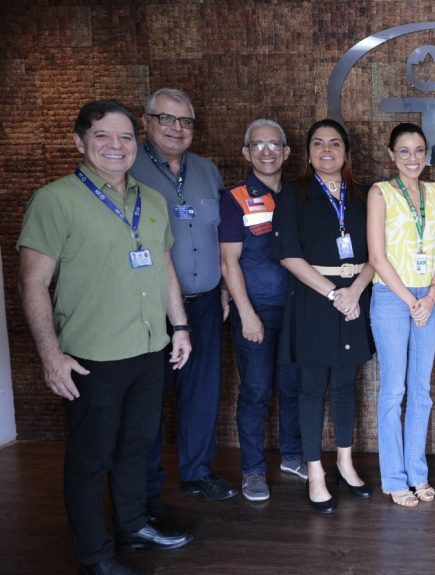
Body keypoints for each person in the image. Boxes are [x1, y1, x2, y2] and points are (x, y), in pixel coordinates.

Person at [18, 100, 193, 575]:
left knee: (136, 446)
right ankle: (95, 554)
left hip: (150, 348)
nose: (116, 146)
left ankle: (133, 526)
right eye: (102, 136)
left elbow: (164, 266)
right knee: (90, 458)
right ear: (79, 142)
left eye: (125, 137)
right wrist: (50, 355)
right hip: (92, 357)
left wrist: (179, 326)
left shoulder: (151, 200)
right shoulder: (55, 200)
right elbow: (32, 283)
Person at [130, 88, 236, 511]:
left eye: (185, 121)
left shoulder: (207, 171)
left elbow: (222, 237)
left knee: (202, 392)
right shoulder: (127, 167)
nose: (177, 128)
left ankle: (197, 472)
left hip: (206, 302)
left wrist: (225, 289)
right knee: (149, 397)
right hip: (149, 307)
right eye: (167, 119)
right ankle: (146, 488)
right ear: (146, 122)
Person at [274, 119, 375, 513]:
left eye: (335, 143)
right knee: (313, 388)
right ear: (308, 151)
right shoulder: (292, 194)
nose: (327, 150)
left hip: (355, 298)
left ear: (346, 151)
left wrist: (355, 291)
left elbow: (377, 252)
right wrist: (334, 293)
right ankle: (315, 472)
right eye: (318, 143)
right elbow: (288, 255)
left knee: (346, 385)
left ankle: (345, 464)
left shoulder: (362, 195)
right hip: (315, 299)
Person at [219, 119, 305, 502]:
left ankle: (292, 456)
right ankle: (253, 470)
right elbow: (228, 261)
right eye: (258, 145)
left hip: (296, 310)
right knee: (255, 390)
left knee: (292, 386)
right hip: (257, 310)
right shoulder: (235, 198)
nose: (267, 152)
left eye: (274, 145)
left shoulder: (299, 195)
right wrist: (246, 313)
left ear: (286, 152)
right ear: (247, 152)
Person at [367, 123, 435, 508]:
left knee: (421, 390)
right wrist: (411, 301)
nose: (413, 158)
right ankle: (394, 478)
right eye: (404, 151)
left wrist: (431, 294)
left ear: (426, 154)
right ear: (391, 155)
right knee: (394, 389)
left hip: (427, 296)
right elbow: (376, 256)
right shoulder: (380, 192)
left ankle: (417, 472)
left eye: (418, 151)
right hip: (390, 296)